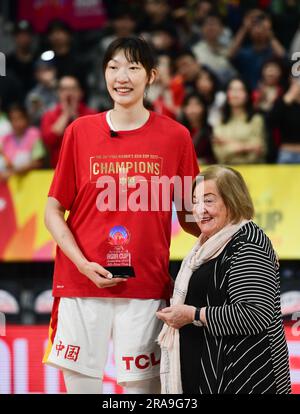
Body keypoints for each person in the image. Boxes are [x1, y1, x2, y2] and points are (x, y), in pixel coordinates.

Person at [42, 36, 200, 394]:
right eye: (113, 67)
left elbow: (192, 216)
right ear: (104, 75)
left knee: (142, 393)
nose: (122, 76)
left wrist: (233, 236)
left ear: (151, 76)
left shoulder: (176, 137)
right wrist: (82, 264)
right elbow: (53, 209)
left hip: (146, 287)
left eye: (132, 67)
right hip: (81, 285)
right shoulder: (79, 131)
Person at [157, 165, 291, 394]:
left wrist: (194, 315)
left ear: (233, 200)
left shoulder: (248, 244)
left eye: (208, 201)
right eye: (195, 201)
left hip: (245, 377)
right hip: (214, 372)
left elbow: (255, 315)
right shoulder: (209, 243)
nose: (199, 210)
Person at [41, 75, 96, 168]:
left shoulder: (91, 114)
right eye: (65, 89)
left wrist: (75, 115)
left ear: (80, 92)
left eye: (73, 89)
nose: (69, 93)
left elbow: (91, 140)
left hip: (85, 167)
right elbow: (48, 140)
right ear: (59, 93)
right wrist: (65, 114)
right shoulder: (49, 115)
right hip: (59, 168)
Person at [212, 78, 266, 164]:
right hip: (226, 172)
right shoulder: (220, 121)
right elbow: (220, 154)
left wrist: (227, 142)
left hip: (253, 170)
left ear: (247, 94)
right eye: (232, 89)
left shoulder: (256, 119)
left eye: (240, 90)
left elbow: (258, 150)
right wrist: (247, 147)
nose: (235, 94)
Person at [0, 104, 46, 181]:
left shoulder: (34, 134)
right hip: (9, 187)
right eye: (13, 119)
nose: (17, 123)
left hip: (32, 183)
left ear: (27, 118)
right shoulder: (5, 139)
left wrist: (18, 170)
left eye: (20, 118)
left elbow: (38, 162)